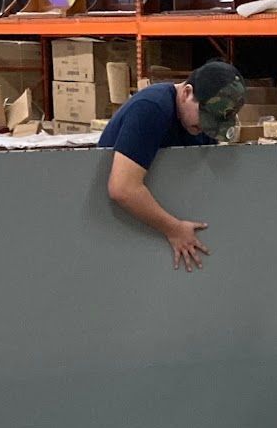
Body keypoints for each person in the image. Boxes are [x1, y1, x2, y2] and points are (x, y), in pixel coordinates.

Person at [103, 59, 248, 270]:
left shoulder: (199, 124)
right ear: (186, 92)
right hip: (116, 232)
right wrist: (174, 229)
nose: (207, 128)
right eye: (206, 118)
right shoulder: (151, 109)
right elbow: (122, 188)